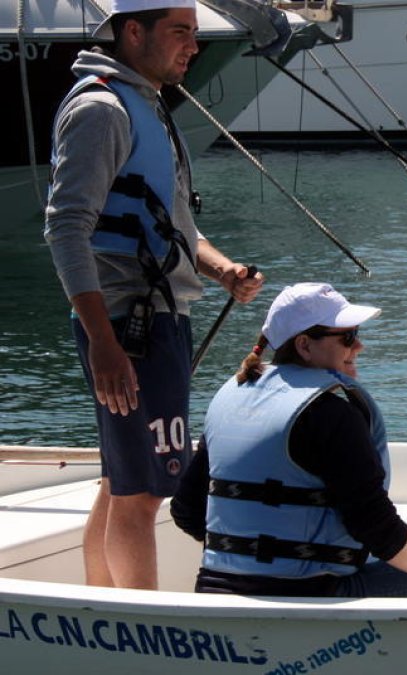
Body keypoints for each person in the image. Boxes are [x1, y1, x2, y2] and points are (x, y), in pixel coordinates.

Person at [43, 0, 263, 590]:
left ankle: (101, 604)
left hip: (151, 319)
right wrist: (104, 345)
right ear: (132, 31)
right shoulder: (102, 109)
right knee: (142, 494)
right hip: (128, 329)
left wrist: (221, 271)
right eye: (181, 33)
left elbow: (174, 224)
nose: (193, 46)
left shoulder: (144, 104)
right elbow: (66, 227)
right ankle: (144, 628)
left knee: (122, 481)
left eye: (194, 33)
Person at [170, 283, 407, 598]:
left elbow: (185, 509)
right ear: (305, 345)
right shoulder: (331, 413)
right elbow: (375, 527)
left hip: (216, 591)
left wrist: (250, 554)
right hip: (308, 593)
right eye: (347, 337)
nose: (359, 346)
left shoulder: (229, 399)